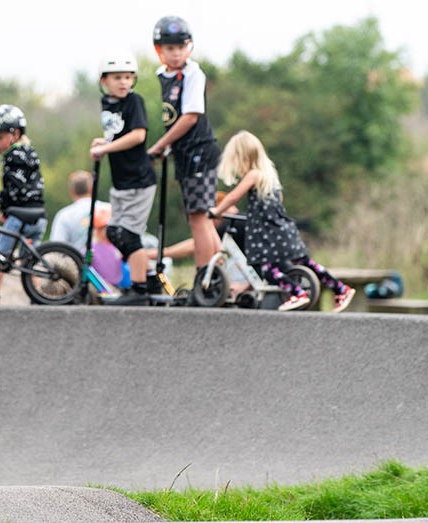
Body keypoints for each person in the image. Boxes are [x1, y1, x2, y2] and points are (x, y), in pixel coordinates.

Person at [213, 131, 356, 313]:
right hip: (283, 228)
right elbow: (279, 199)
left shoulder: (254, 175)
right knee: (305, 263)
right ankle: (340, 288)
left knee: (265, 268)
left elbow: (233, 196)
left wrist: (216, 210)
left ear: (243, 157)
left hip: (267, 232)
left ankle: (297, 293)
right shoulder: (270, 176)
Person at [145, 16, 223, 299]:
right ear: (159, 50)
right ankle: (218, 272)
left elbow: (190, 117)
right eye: (170, 48)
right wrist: (168, 148)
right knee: (198, 217)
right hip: (185, 154)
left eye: (181, 47)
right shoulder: (164, 76)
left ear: (189, 47)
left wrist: (159, 145)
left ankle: (205, 277)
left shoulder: (192, 74)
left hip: (199, 152)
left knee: (198, 218)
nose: (176, 53)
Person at [91, 55, 157, 306]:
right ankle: (148, 276)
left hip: (138, 180)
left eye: (128, 77)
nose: (124, 82)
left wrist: (106, 149)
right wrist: (104, 142)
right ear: (104, 81)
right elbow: (117, 132)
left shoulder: (134, 101)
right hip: (121, 181)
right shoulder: (107, 103)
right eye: (118, 77)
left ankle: (139, 290)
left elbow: (138, 135)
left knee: (129, 235)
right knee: (113, 232)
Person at [0, 104, 47, 305]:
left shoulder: (12, 156)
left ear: (15, 134)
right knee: (30, 260)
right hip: (39, 215)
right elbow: (24, 189)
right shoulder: (29, 152)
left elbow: (13, 191)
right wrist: (6, 209)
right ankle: (38, 296)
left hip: (20, 216)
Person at [49, 170, 96, 251]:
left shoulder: (64, 215)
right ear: (91, 189)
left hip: (75, 262)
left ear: (71, 191)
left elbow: (57, 247)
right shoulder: (107, 209)